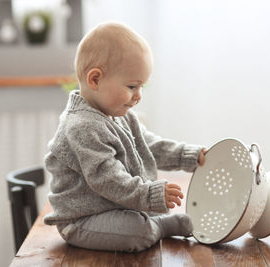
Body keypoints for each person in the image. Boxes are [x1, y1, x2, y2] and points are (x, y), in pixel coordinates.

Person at [43, 22, 207, 252]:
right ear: (95, 80)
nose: (138, 96)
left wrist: (187, 156)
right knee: (137, 233)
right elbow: (108, 179)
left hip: (113, 207)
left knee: (135, 221)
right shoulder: (82, 126)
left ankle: (153, 223)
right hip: (83, 220)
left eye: (141, 86)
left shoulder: (118, 115)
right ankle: (158, 227)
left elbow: (148, 146)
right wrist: (149, 194)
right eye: (132, 86)